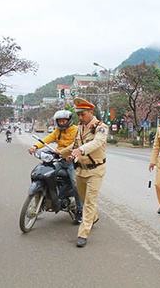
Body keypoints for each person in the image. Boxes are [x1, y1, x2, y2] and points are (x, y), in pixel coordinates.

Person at [60, 98, 108, 248]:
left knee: (89, 202)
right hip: (80, 170)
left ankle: (83, 233)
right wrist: (60, 153)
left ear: (91, 112)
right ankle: (93, 217)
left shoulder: (101, 127)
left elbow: (97, 143)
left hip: (95, 170)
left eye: (83, 114)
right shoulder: (80, 128)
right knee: (82, 198)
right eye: (78, 115)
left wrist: (81, 150)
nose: (80, 118)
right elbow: (74, 145)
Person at [28, 110, 83, 224]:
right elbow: (47, 139)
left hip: (71, 161)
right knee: (45, 173)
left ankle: (80, 211)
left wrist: (69, 154)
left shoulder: (76, 130)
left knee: (75, 184)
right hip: (59, 159)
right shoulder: (57, 131)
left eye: (64, 121)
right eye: (59, 121)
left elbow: (78, 145)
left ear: (69, 121)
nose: (62, 123)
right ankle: (42, 202)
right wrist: (35, 147)